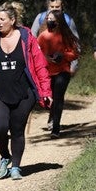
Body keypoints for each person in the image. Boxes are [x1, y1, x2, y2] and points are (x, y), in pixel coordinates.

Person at [0, 2, 52, 180]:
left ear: (12, 20)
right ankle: (5, 156)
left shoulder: (27, 38)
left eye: (2, 19)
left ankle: (16, 166)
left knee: (17, 129)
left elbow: (40, 66)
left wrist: (45, 92)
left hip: (24, 91)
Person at [37, 9, 79, 138]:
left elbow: (74, 53)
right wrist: (46, 58)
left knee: (58, 98)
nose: (50, 22)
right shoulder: (42, 36)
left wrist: (63, 56)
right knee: (49, 99)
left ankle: (56, 127)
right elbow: (36, 54)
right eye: (48, 19)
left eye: (52, 20)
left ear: (59, 21)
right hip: (47, 72)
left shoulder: (66, 36)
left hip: (62, 71)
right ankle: (52, 116)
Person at [31, 0, 81, 75]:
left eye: (57, 7)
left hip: (62, 66)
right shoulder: (40, 18)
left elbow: (75, 44)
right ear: (48, 6)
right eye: (52, 6)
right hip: (44, 64)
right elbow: (32, 39)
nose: (54, 9)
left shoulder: (68, 20)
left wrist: (73, 66)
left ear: (62, 7)